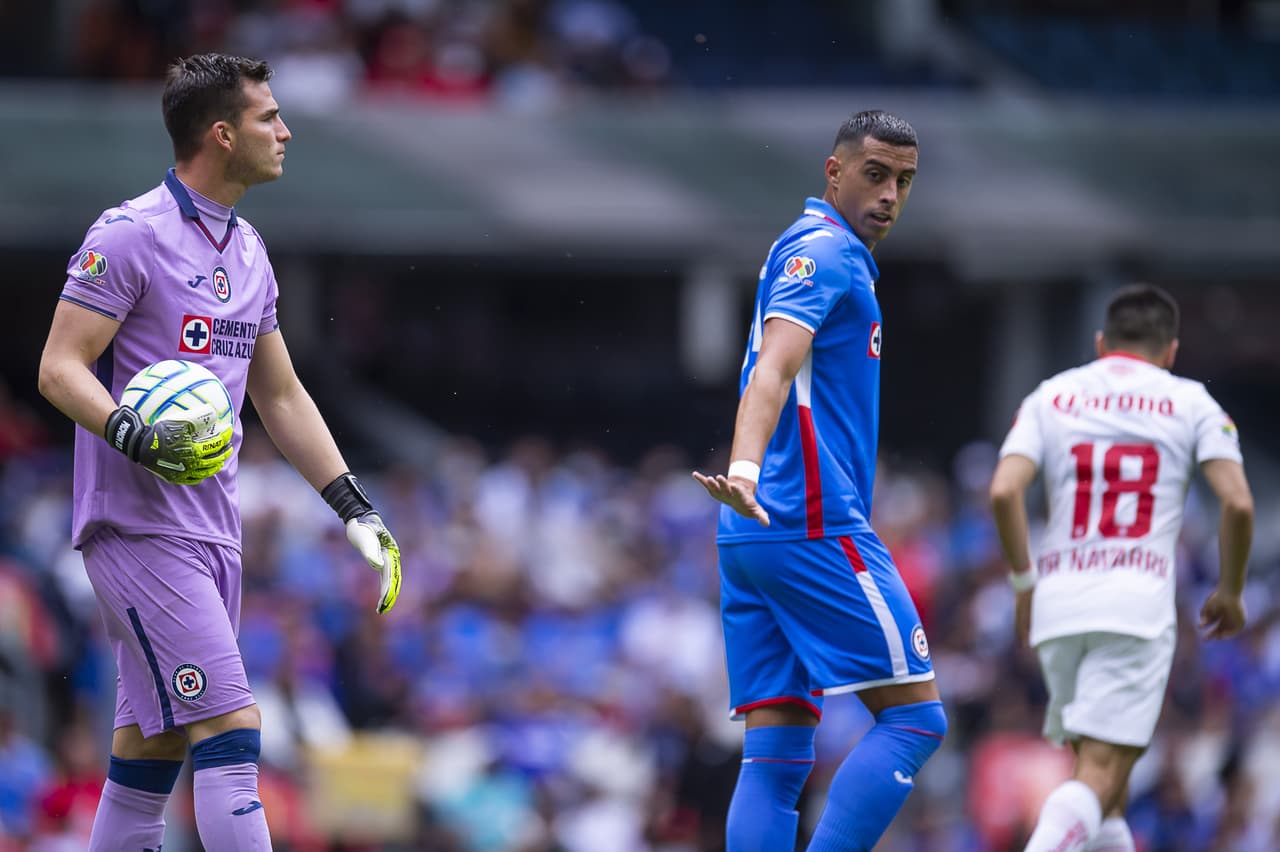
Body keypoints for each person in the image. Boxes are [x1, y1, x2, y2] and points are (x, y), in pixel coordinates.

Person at [37, 53, 403, 851]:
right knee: (232, 729)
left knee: (150, 751)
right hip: (137, 530)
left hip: (214, 533)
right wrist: (131, 433)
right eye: (270, 117)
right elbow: (59, 366)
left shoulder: (249, 251)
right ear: (222, 133)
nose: (286, 131)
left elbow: (280, 396)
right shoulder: (129, 235)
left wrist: (353, 504)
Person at [692, 110, 946, 851]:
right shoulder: (825, 251)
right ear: (833, 173)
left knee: (776, 755)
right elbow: (773, 367)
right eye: (876, 175)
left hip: (752, 530)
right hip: (807, 522)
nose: (892, 194)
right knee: (915, 720)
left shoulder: (816, 250)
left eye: (904, 180)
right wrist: (743, 467)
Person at [989, 284, 1253, 852]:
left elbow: (1004, 490)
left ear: (1101, 342)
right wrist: (1230, 589)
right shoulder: (1190, 401)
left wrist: (1022, 581)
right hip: (1133, 606)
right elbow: (1237, 502)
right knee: (1103, 771)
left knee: (1104, 784)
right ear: (1172, 351)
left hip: (1058, 602)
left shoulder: (1052, 395)